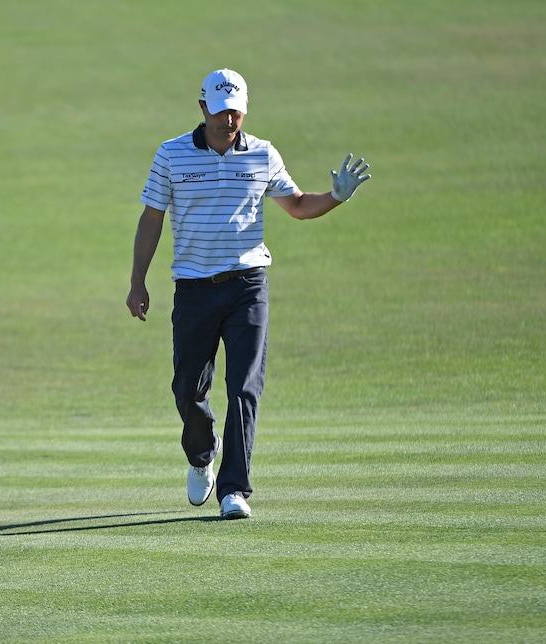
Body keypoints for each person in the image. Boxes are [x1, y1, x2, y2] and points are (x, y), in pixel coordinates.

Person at [126, 68, 370, 520]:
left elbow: (296, 205)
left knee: (244, 387)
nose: (228, 121)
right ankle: (203, 456)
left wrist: (336, 197)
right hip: (195, 287)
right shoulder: (172, 155)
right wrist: (138, 280)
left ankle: (234, 489)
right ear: (203, 108)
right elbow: (152, 219)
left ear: (245, 108)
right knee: (187, 389)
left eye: (236, 111)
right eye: (220, 112)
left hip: (247, 285)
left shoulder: (262, 154)